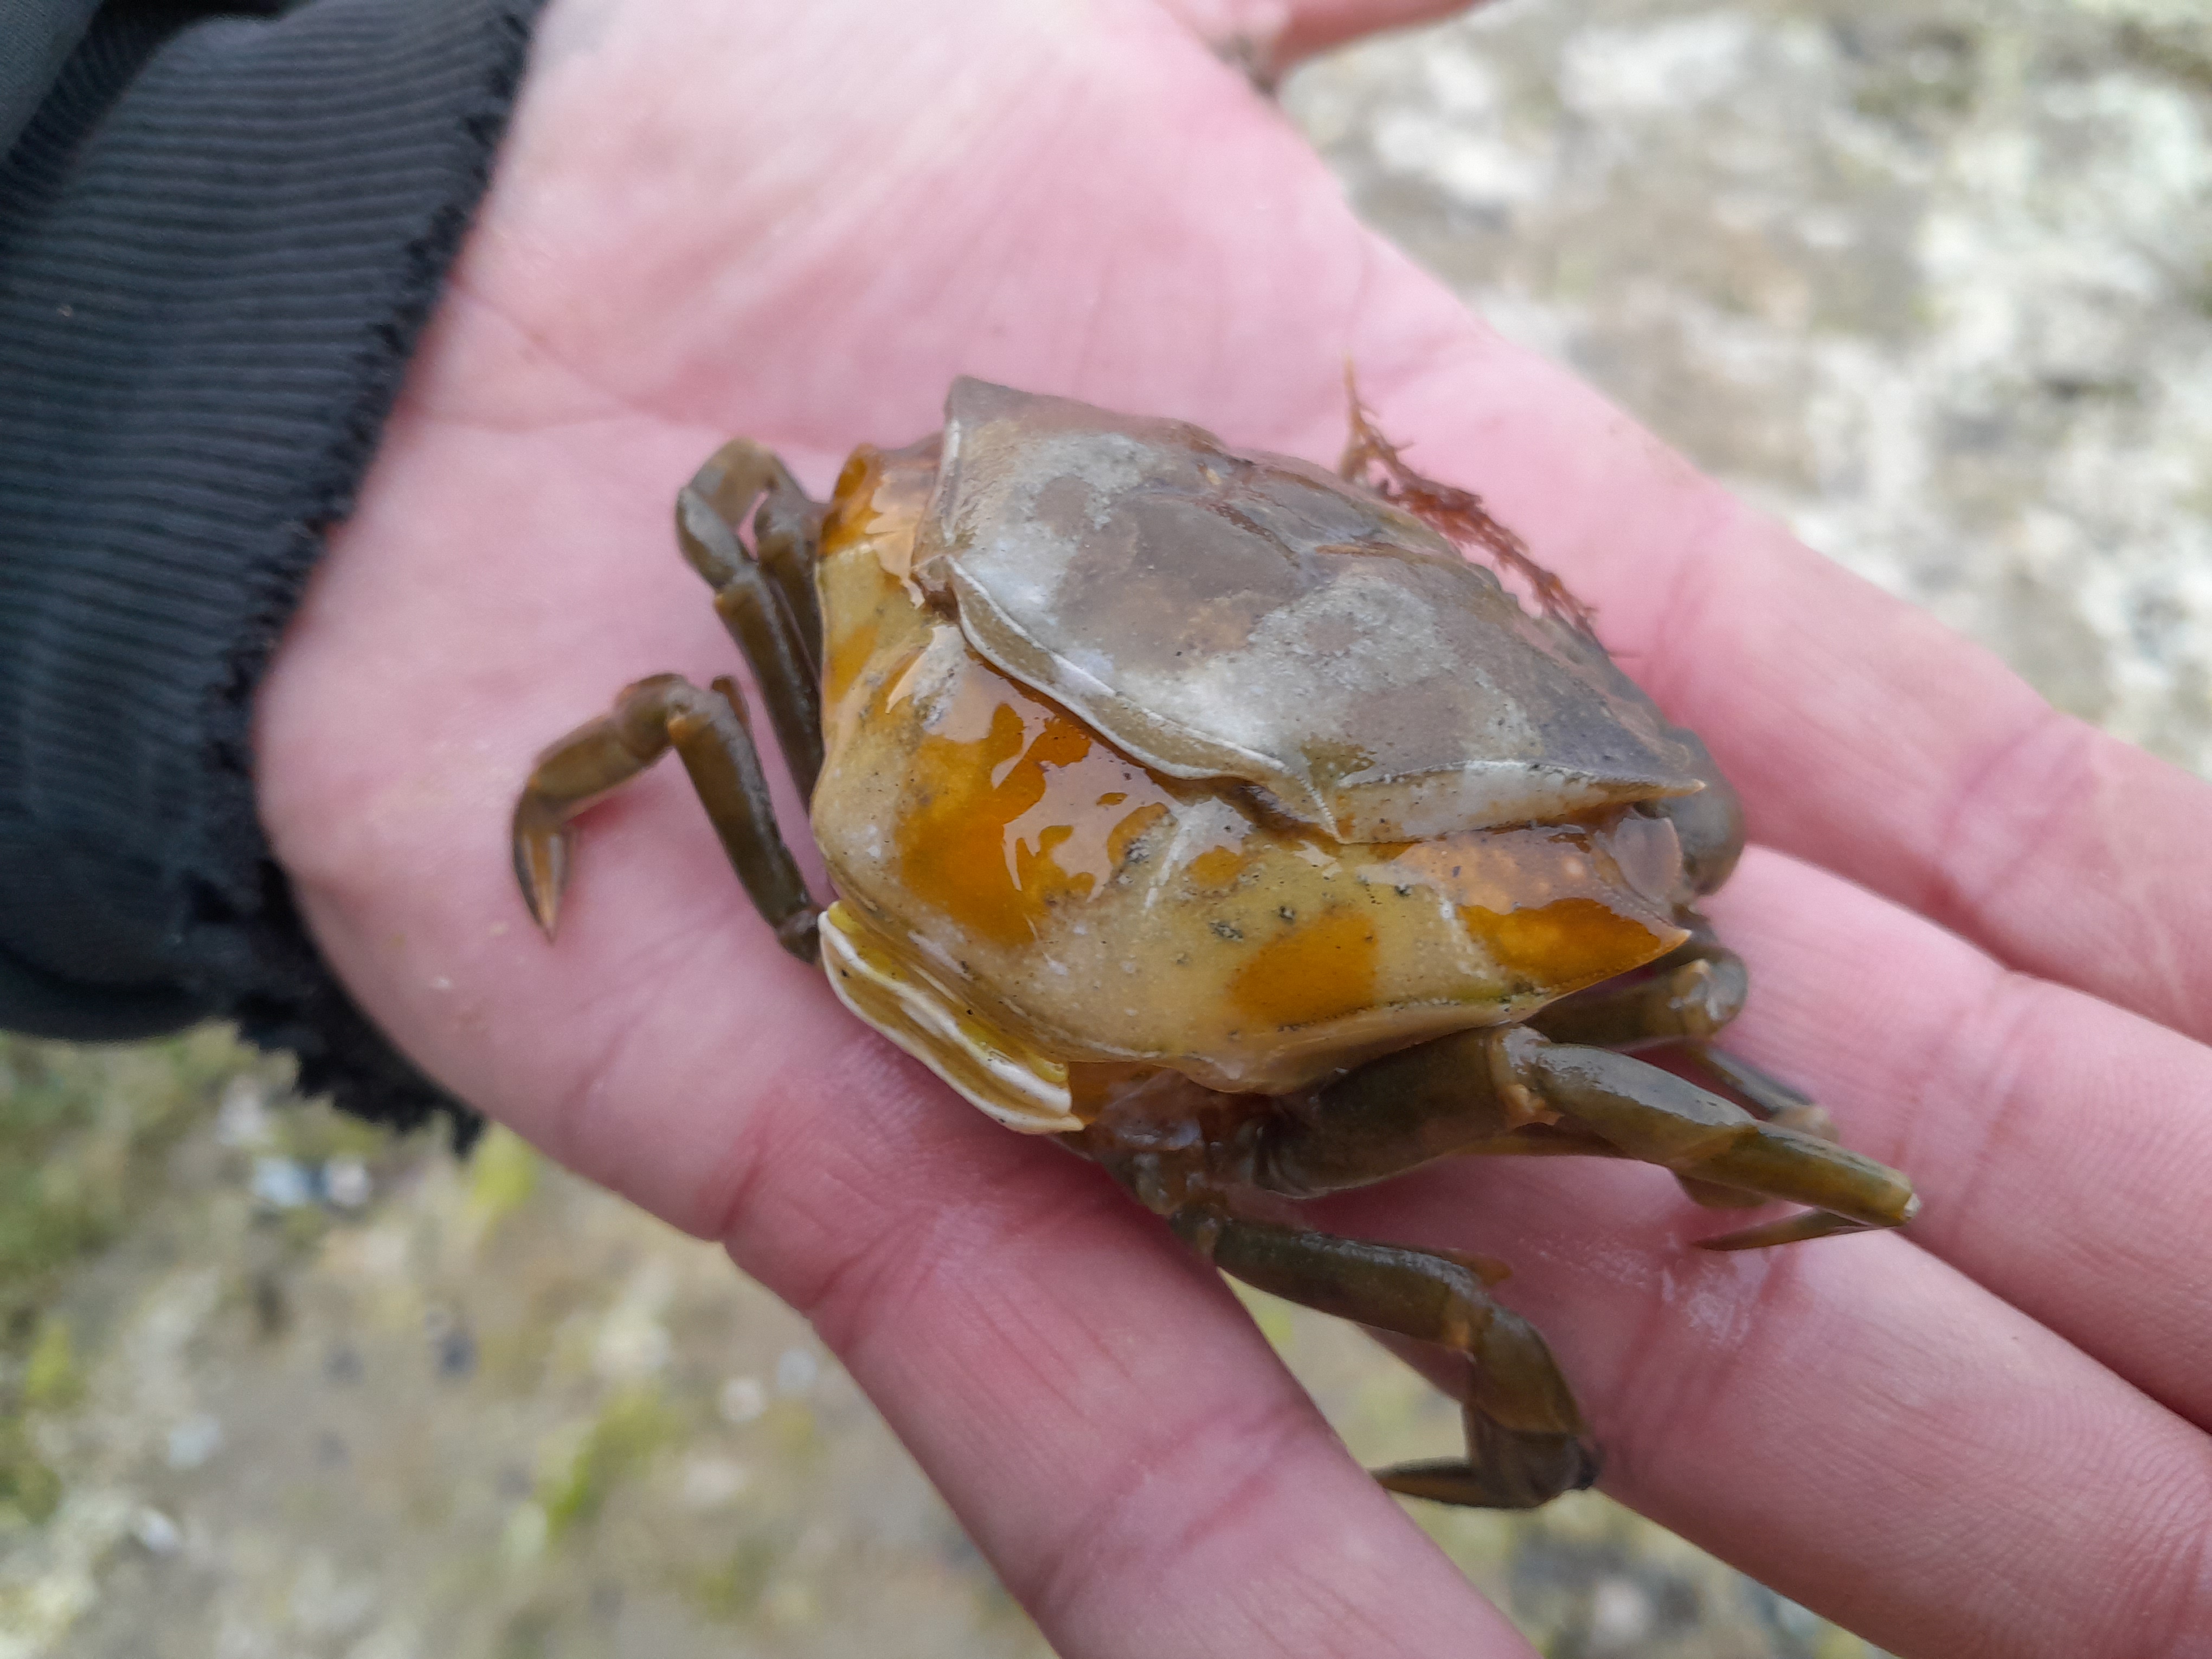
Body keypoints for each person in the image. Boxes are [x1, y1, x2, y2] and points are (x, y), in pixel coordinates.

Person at [8, 2, 2212, 1654]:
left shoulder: (862, 556)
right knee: (1594, 1076)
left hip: (935, 822)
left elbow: (741, 535)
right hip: (1200, 1066)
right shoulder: (1463, 988)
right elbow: (1682, 1002)